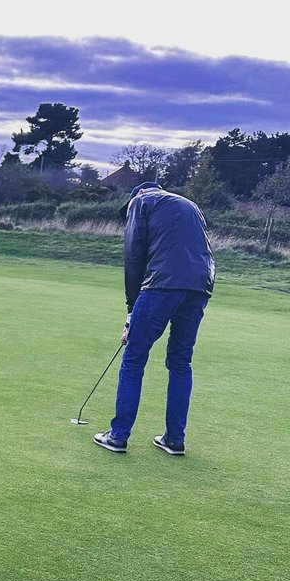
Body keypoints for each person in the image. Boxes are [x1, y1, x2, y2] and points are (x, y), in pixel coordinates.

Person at [93, 181, 215, 456]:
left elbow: (134, 256)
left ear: (138, 194)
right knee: (180, 361)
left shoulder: (141, 201)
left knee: (134, 357)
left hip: (162, 285)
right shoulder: (190, 205)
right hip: (200, 287)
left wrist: (130, 312)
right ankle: (174, 440)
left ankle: (118, 435)